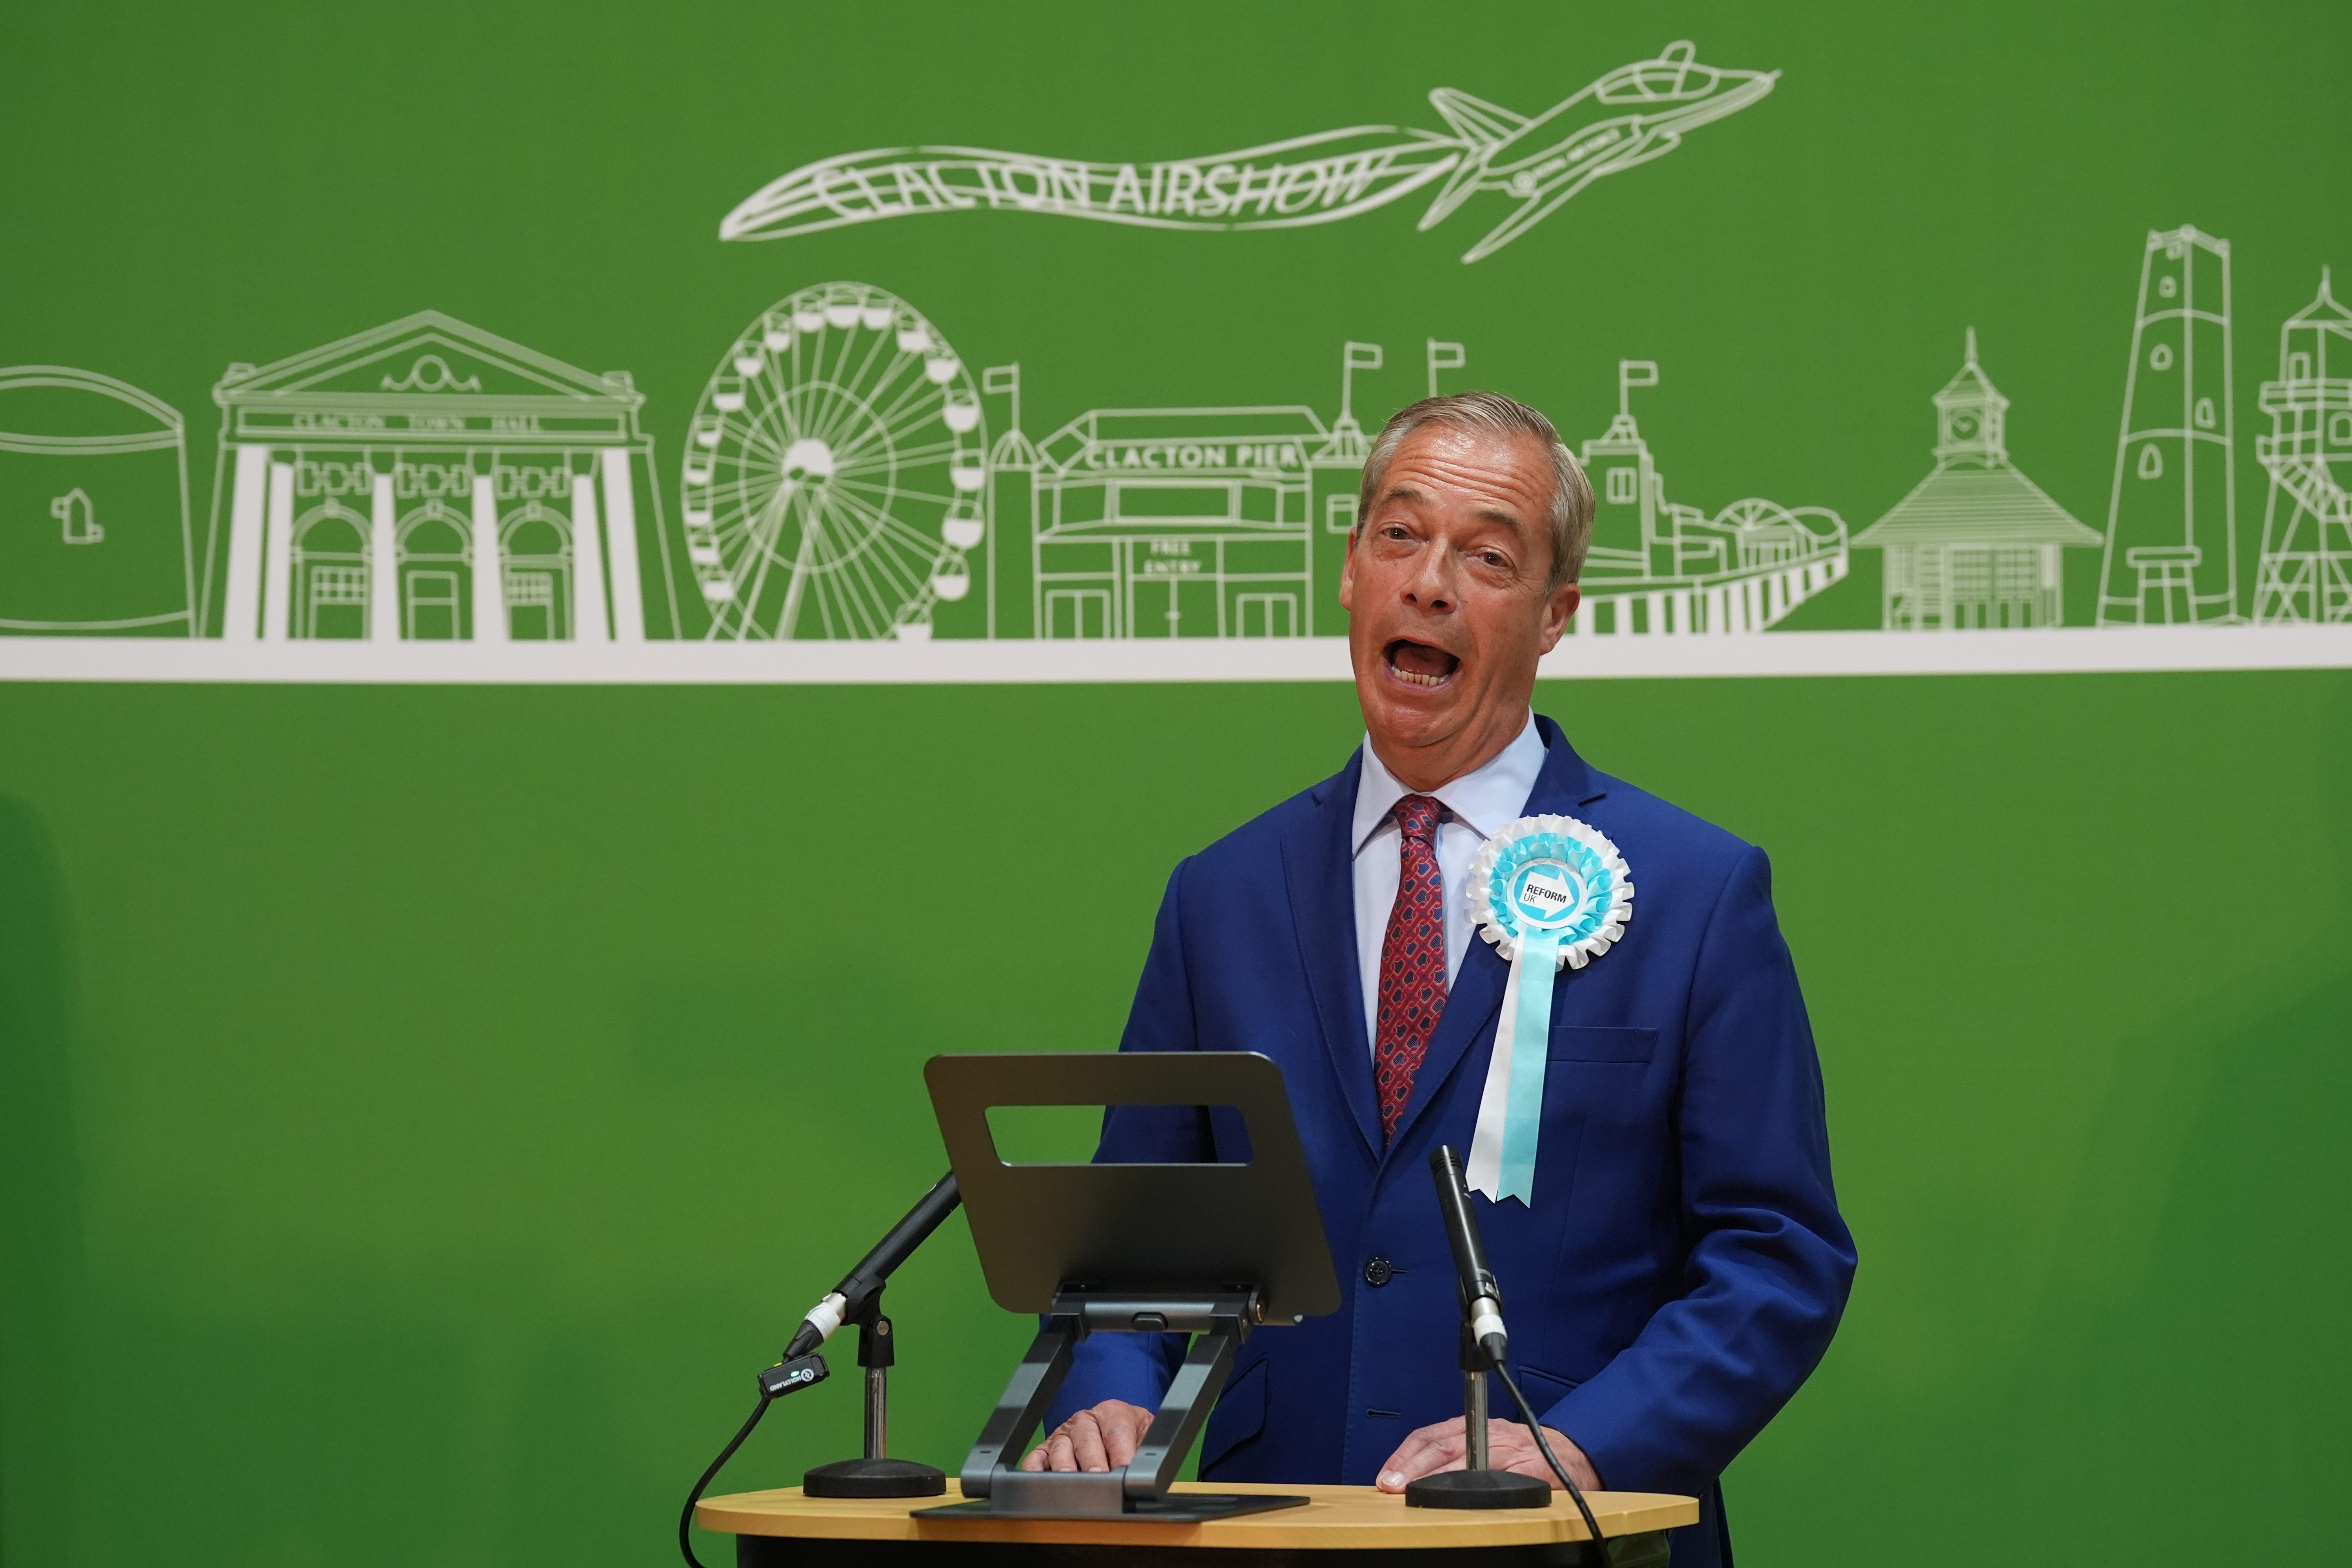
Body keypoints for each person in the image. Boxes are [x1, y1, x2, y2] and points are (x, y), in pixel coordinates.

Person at [1020, 392, 1855, 1567]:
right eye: (1400, 537)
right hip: (1281, 1529)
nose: (1430, 583)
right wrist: (1107, 1397)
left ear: (1556, 614)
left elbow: (1778, 1254)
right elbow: (1145, 1242)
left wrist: (1586, 1444)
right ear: (1351, 574)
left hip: (1568, 1534)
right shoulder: (1221, 895)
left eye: (1489, 556)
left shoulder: (1693, 892)